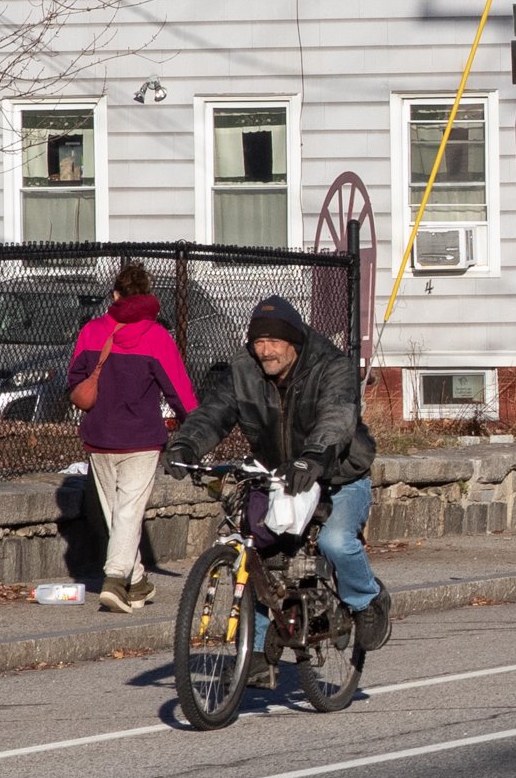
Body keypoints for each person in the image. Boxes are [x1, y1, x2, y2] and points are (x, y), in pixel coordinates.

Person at [171, 295, 386, 654]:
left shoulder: (332, 366)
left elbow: (336, 417)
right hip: (278, 477)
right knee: (257, 550)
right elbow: (214, 412)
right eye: (258, 341)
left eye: (273, 341)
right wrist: (186, 445)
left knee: (335, 542)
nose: (265, 351)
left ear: (294, 342)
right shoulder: (244, 369)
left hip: (337, 474)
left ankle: (367, 601)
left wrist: (314, 457)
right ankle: (254, 655)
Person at [67, 260, 195, 613]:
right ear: (149, 294)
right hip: (141, 439)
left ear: (115, 295)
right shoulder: (157, 337)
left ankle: (136, 581)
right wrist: (197, 428)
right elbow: (180, 393)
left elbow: (74, 380)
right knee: (127, 513)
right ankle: (114, 580)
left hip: (99, 437)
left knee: (116, 515)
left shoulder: (91, 331)